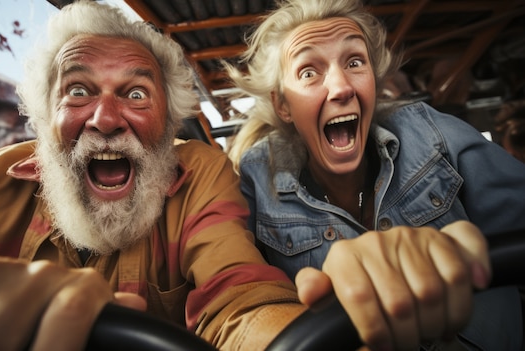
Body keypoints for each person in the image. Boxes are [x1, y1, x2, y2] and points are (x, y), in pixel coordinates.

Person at [0, 1, 495, 351]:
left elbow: (238, 299)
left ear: (168, 121)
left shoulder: (203, 174)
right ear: (44, 112)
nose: (106, 118)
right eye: (78, 91)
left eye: (135, 92)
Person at [225, 0, 525, 349]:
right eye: (309, 71)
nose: (341, 88)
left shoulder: (430, 133)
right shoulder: (257, 180)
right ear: (283, 105)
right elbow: (242, 302)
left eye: (355, 62)